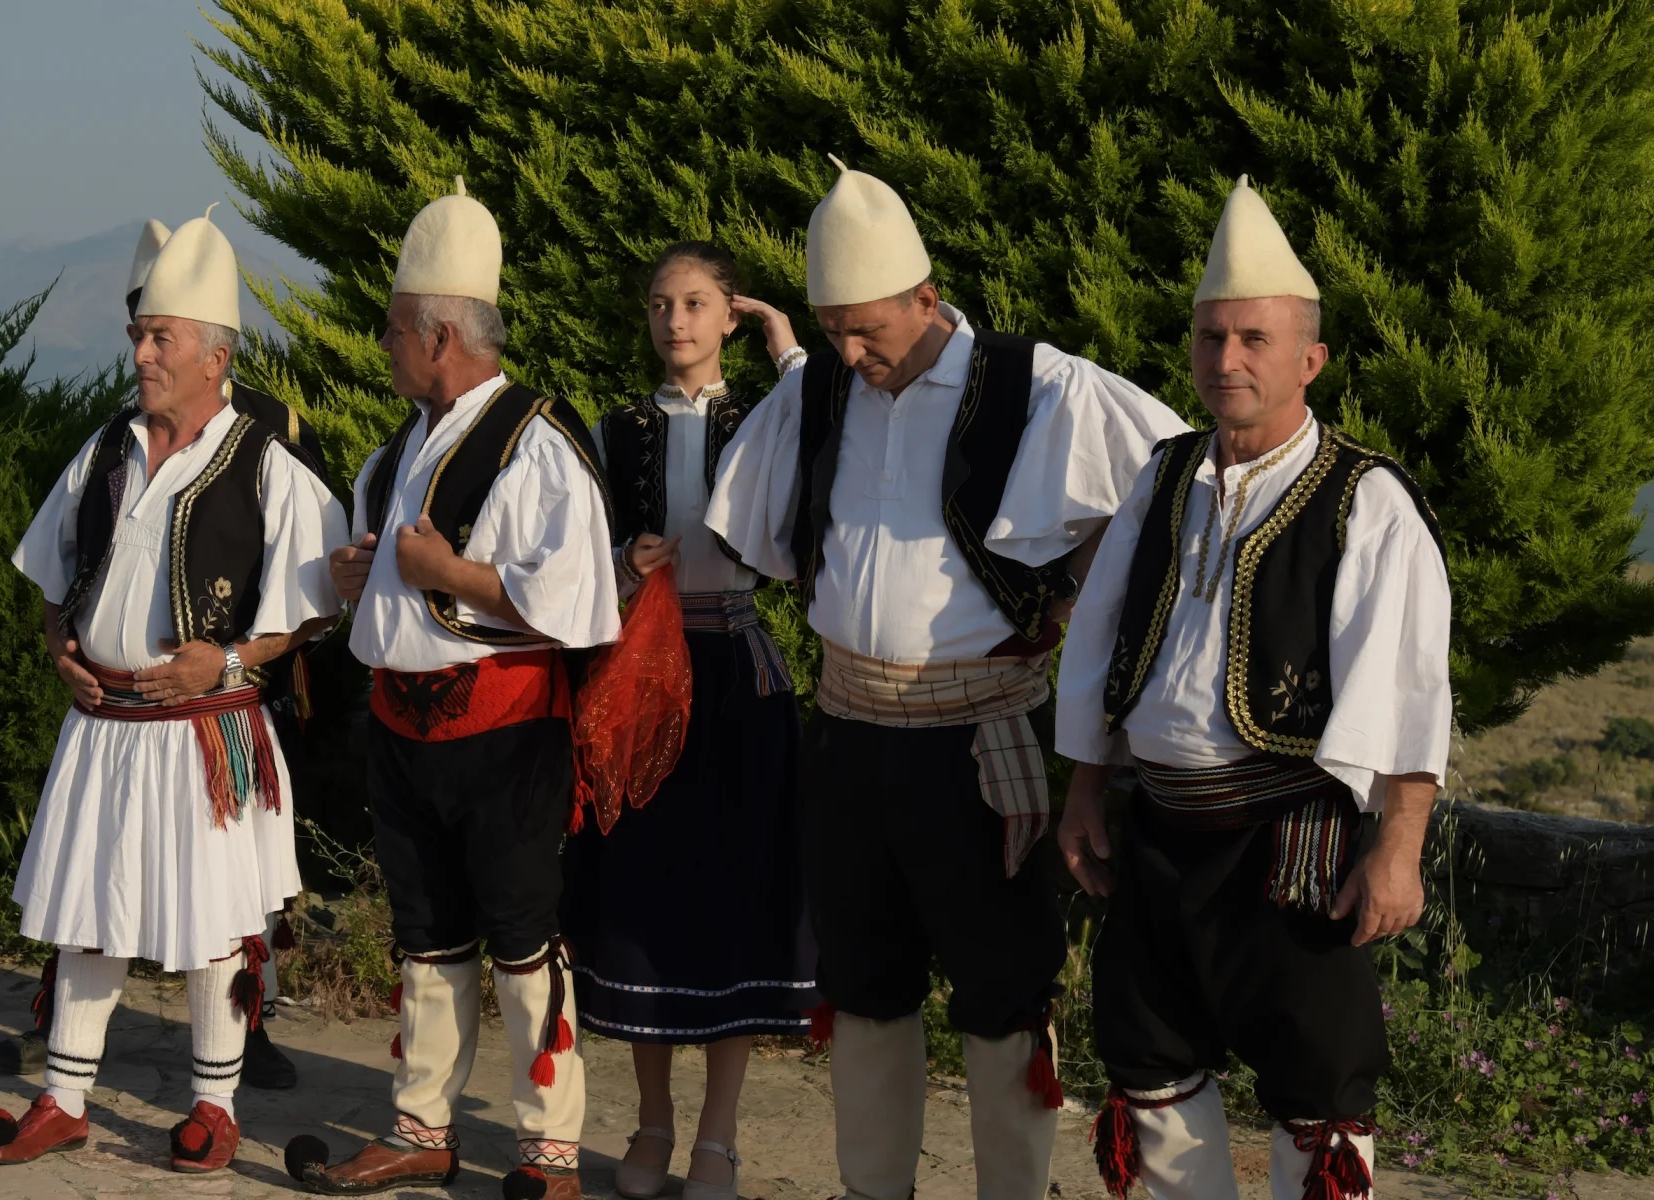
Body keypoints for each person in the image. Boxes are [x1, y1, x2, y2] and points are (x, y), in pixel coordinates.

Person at [703, 159, 1190, 1200]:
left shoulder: (1034, 384)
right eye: (832, 329)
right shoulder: (820, 387)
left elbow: (1162, 490)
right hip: (848, 733)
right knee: (863, 980)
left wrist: (1072, 598)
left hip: (981, 738)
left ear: (926, 298)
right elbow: (757, 520)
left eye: (867, 329)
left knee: (1004, 985)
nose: (849, 352)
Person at [1056, 177, 1446, 1200]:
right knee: (1147, 1061)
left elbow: (1408, 686)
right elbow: (1100, 640)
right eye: (1209, 336)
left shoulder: (1366, 498)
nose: (1225, 359)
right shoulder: (1162, 474)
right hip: (1155, 828)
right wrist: (1086, 788)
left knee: (1318, 1083)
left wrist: (1397, 848)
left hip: (1290, 838)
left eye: (1253, 340)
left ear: (1309, 359)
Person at [0, 210, 346, 1172]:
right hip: (103, 721)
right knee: (86, 910)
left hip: (204, 731)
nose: (140, 353)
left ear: (215, 357)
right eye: (139, 335)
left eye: (160, 338)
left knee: (213, 923)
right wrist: (60, 646)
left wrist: (225, 664)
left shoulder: (266, 460)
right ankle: (64, 1099)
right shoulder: (106, 446)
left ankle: (214, 1108)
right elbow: (53, 567)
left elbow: (315, 610)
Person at [307, 178, 618, 1200]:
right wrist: (358, 579)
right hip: (400, 727)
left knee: (524, 936)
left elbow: (579, 602)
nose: (383, 344)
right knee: (426, 935)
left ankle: (550, 1153)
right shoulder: (399, 446)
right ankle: (421, 1128)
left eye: (395, 329)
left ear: (441, 335)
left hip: (505, 730)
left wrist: (450, 575)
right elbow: (387, 585)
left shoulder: (540, 441)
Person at [571, 241, 814, 1200]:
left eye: (698, 303)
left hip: (736, 676)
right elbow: (577, 559)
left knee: (732, 895)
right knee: (643, 889)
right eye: (662, 304)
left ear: (730, 318)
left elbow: (831, 433)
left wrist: (788, 344)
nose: (676, 320)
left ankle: (719, 1136)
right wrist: (622, 565)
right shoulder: (614, 430)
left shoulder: (768, 417)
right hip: (643, 673)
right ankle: (652, 1124)